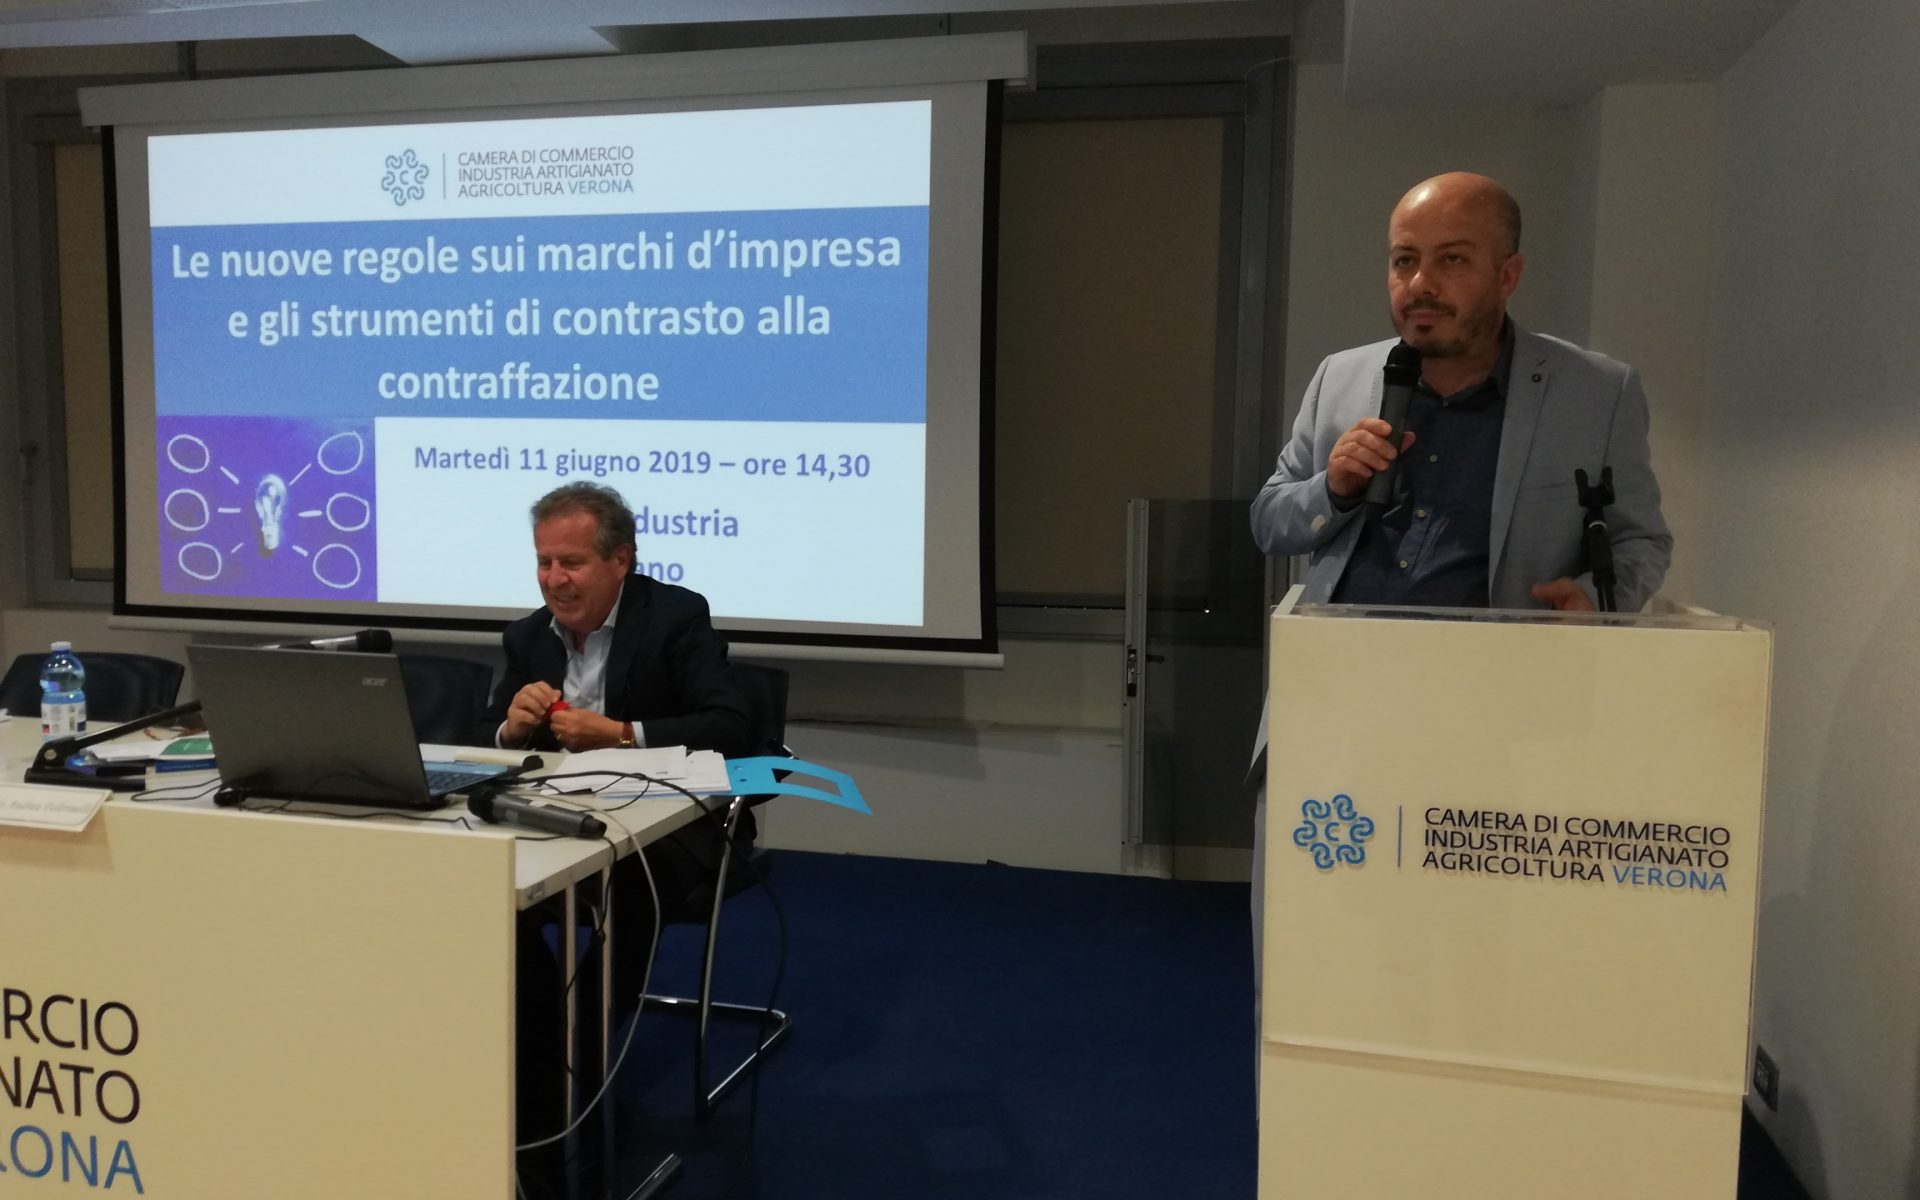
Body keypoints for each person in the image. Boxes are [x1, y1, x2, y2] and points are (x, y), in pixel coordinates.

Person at [1244, 172, 1673, 1075]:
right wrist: (1334, 487)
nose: (1420, 286)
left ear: (1507, 274)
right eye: (1404, 261)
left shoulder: (1596, 391)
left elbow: (1640, 543)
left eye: (1451, 261)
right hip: (1340, 727)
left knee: (1478, 976)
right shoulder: (1343, 378)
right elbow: (1271, 521)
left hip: (1499, 739)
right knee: (1323, 973)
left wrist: (1599, 601)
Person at [483, 481, 756, 1180]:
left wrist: (622, 734)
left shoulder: (676, 618)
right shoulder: (526, 637)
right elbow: (491, 751)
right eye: (544, 562)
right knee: (489, 891)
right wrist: (511, 729)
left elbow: (731, 728)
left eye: (571, 563)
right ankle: (541, 1051)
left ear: (620, 561)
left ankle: (585, 1063)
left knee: (626, 888)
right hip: (561, 823)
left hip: (673, 829)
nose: (554, 580)